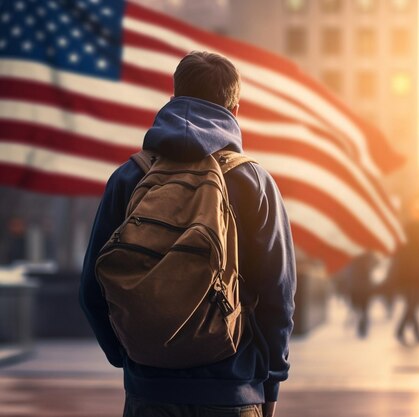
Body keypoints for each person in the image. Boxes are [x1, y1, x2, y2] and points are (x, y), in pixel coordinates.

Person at [79, 51, 296, 417]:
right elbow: (279, 296)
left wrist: (131, 358)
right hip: (233, 392)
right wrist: (270, 382)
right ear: (235, 110)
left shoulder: (129, 178)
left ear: (173, 98)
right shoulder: (253, 181)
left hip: (149, 391)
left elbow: (91, 288)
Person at [392, 220, 419, 345]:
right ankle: (408, 332)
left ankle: (410, 332)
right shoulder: (418, 245)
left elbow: (396, 261)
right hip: (414, 279)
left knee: (411, 306)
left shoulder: (404, 244)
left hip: (405, 279)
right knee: (411, 306)